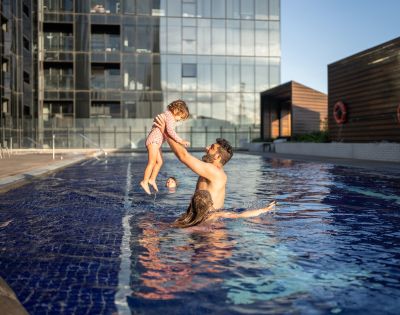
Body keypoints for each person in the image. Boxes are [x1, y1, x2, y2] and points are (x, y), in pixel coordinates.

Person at [154, 115, 232, 208]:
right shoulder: (212, 171)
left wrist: (165, 131)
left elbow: (183, 156)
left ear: (217, 156)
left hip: (207, 221)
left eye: (211, 148)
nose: (206, 148)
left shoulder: (214, 171)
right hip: (202, 219)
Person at [140, 100, 190, 195]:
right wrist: (180, 141)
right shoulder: (169, 116)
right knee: (152, 162)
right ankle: (144, 181)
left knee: (160, 162)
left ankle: (152, 179)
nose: (179, 119)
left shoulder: (168, 115)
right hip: (154, 141)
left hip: (157, 142)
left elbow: (167, 131)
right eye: (180, 117)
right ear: (176, 110)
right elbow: (170, 131)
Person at [173, 190, 276, 228]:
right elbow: (240, 215)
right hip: (209, 233)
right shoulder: (214, 215)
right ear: (210, 203)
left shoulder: (184, 218)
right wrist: (263, 210)